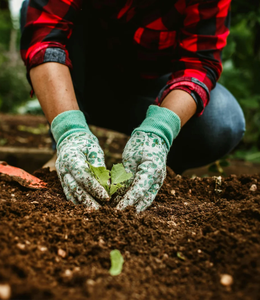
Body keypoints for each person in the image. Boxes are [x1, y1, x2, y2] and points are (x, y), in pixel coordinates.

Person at [20, 0, 245, 212]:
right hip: (81, 85)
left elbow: (199, 64)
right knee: (32, 8)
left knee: (222, 120)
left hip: (150, 93)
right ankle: (65, 150)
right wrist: (69, 131)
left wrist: (159, 131)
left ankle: (154, 168)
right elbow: (44, 37)